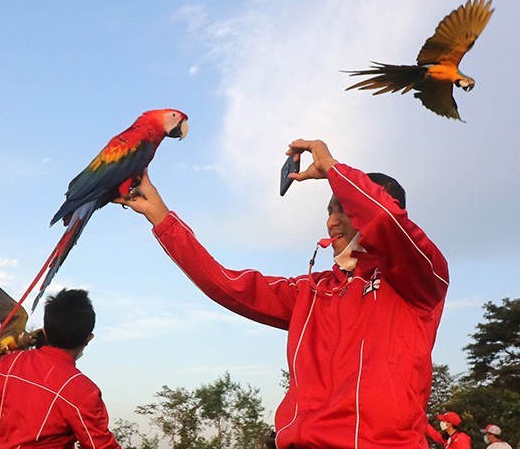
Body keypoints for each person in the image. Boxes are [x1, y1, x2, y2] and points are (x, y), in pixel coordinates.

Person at [116, 139, 449, 449]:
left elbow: (386, 220)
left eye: (342, 209)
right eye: (328, 212)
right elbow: (225, 284)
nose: (331, 222)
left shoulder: (418, 279)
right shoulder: (312, 289)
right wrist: (159, 215)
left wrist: (333, 169)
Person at [0, 288, 121, 449]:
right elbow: (100, 445)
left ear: (44, 330)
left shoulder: (10, 364)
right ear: (88, 339)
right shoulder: (83, 391)